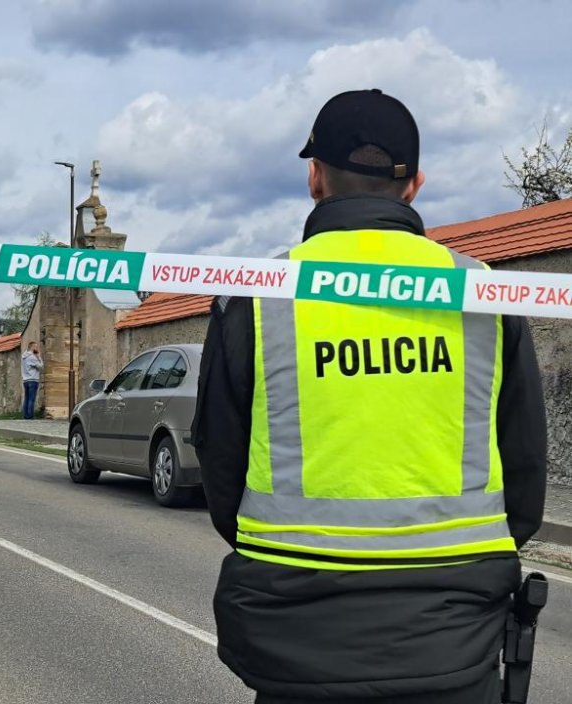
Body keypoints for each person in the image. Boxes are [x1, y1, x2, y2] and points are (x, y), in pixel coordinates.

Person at [190, 89, 547, 704]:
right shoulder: (483, 293)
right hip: (453, 641)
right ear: (415, 186)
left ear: (314, 178)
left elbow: (221, 469)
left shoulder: (260, 295)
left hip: (297, 642)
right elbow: (525, 471)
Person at [21, 341, 43, 419]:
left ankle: (25, 415)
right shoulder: (32, 357)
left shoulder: (24, 356)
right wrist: (39, 357)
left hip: (25, 380)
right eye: (36, 347)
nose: (37, 348)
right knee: (31, 399)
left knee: (26, 398)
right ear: (32, 347)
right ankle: (30, 416)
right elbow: (41, 367)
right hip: (33, 380)